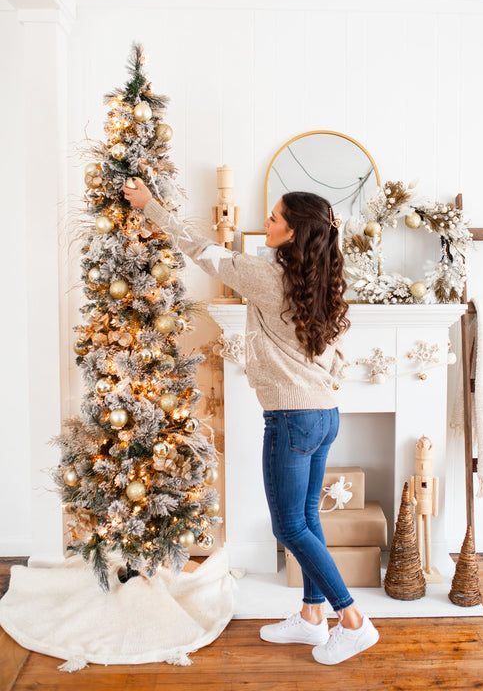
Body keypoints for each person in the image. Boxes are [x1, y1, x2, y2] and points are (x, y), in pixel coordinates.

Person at [123, 179, 379, 665]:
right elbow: (335, 351)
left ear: (296, 233)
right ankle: (310, 616)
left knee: (289, 528)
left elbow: (203, 250)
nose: (268, 222)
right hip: (324, 414)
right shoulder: (320, 281)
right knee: (305, 520)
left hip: (291, 418)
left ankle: (351, 620)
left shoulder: (269, 277)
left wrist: (149, 206)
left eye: (276, 218)